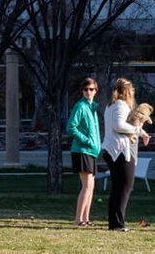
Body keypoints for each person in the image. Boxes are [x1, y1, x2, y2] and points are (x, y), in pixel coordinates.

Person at [101, 77, 151, 232]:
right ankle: (117, 224)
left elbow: (123, 125)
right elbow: (119, 126)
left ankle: (114, 223)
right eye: (132, 91)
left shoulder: (110, 105)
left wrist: (141, 132)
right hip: (119, 151)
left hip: (111, 150)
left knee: (118, 187)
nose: (133, 94)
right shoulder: (121, 105)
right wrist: (138, 130)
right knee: (126, 186)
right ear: (127, 92)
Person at [66, 77, 102, 227]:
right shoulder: (80, 106)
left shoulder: (92, 108)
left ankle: (86, 219)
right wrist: (87, 140)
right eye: (86, 89)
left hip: (91, 152)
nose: (88, 92)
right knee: (86, 186)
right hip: (82, 150)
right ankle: (78, 220)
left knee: (91, 187)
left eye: (91, 89)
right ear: (82, 91)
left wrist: (96, 145)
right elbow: (70, 127)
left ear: (95, 91)